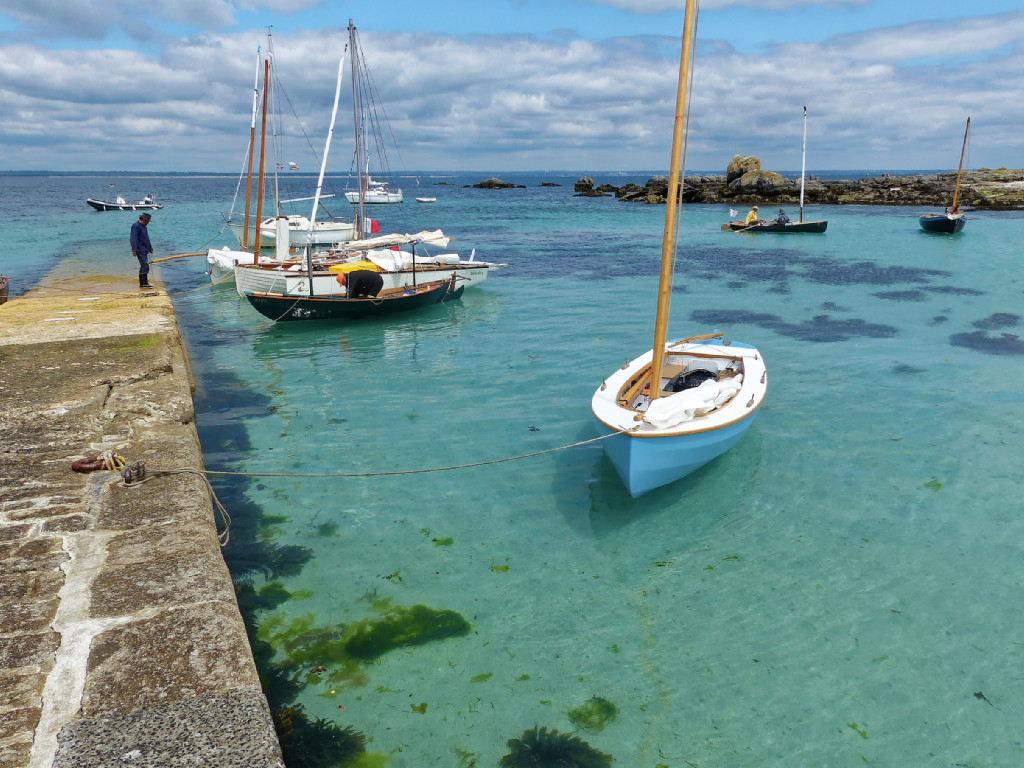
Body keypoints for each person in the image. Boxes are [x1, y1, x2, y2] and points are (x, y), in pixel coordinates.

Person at [130, 212, 154, 289]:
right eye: (147, 221)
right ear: (143, 219)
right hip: (140, 249)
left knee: (145, 265)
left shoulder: (144, 227)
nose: (147, 223)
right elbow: (133, 238)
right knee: (144, 265)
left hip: (145, 249)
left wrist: (150, 248)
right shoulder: (136, 226)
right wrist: (134, 249)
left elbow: (146, 238)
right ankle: (143, 283)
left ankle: (145, 283)